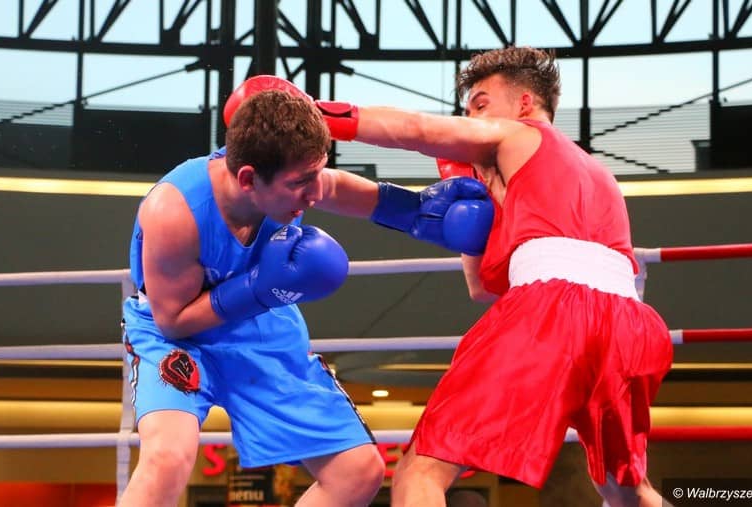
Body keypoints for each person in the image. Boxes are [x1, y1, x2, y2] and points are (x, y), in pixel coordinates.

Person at [231, 46, 673, 506]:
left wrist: (306, 113)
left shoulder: (521, 133)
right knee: (627, 489)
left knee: (419, 472)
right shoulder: (597, 176)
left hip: (553, 311)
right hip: (633, 327)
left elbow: (419, 130)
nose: (469, 120)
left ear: (524, 103)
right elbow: (482, 288)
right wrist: (474, 212)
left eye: (480, 105)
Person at [119, 87, 493, 507]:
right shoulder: (174, 213)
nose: (314, 193)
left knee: (357, 471)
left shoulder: (291, 174)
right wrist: (258, 287)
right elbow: (173, 320)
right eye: (300, 183)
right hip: (176, 334)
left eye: (318, 172)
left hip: (258, 326)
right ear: (248, 179)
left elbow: (338, 188)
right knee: (167, 458)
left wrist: (417, 212)